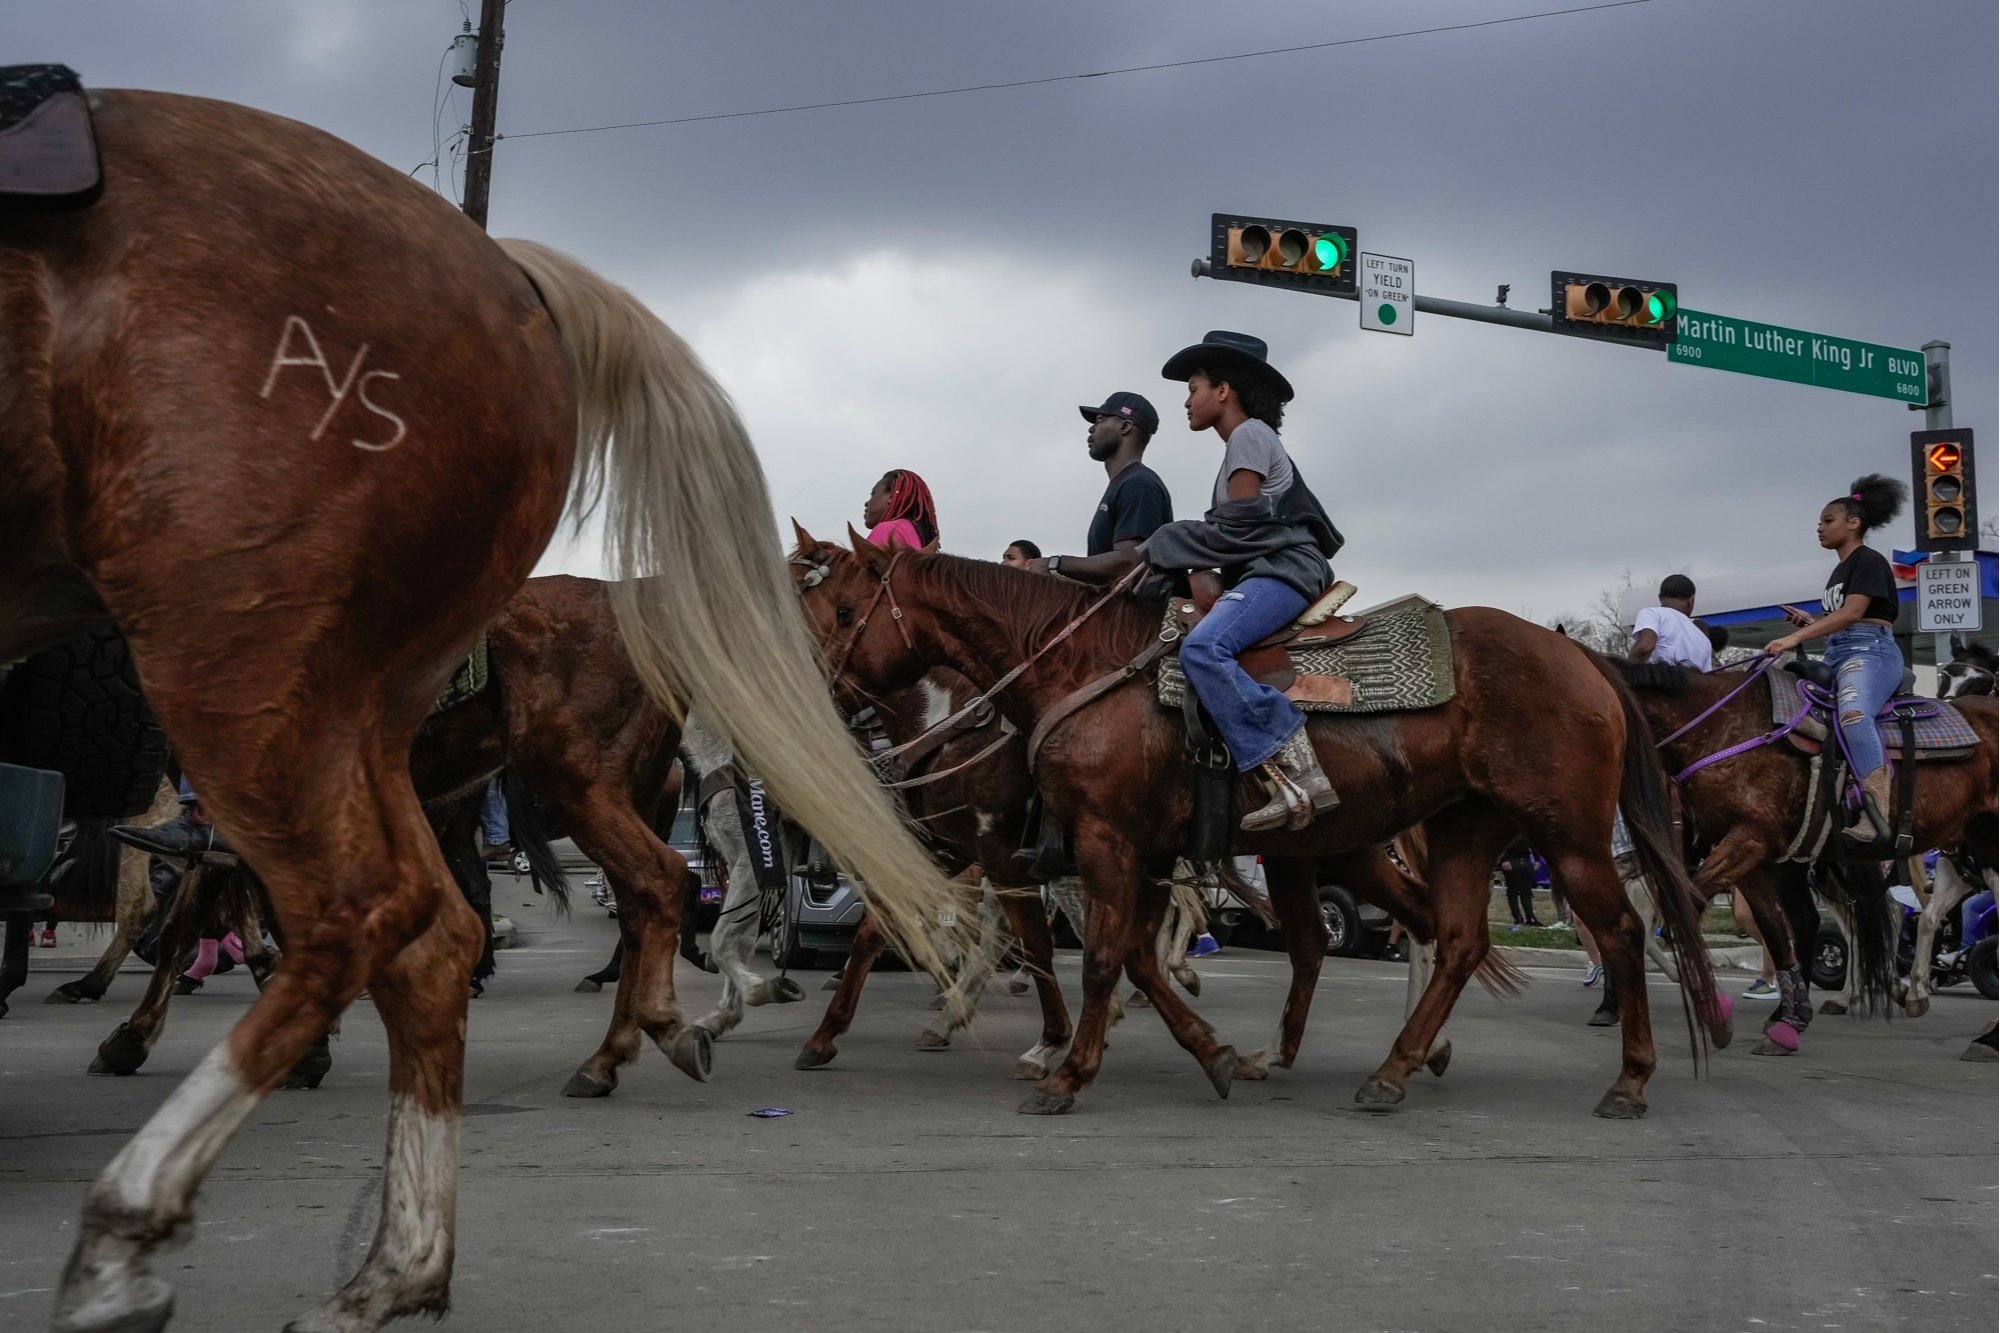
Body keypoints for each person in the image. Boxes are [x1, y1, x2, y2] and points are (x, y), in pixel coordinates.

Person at [1142, 332, 1343, 833]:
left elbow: (1240, 525)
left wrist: (1167, 541)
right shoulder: (1242, 444)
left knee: (1204, 650)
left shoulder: (1249, 435)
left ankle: (1296, 764)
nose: (1188, 401)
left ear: (1223, 390)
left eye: (1193, 388)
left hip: (1284, 571)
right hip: (1267, 569)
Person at [1762, 474, 1909, 844]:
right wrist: (1811, 622)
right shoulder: (1841, 569)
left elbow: (1853, 613)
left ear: (1853, 523)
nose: (1820, 528)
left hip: (1870, 651)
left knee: (1853, 716)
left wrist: (1795, 636)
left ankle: (1877, 811)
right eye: (1819, 522)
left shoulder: (1869, 560)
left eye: (1828, 520)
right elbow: (1841, 618)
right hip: (1841, 650)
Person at [1029, 392, 1174, 586]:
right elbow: (1106, 584)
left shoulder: (1138, 484)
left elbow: (1129, 564)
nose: (1091, 428)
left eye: (1099, 420)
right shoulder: (1124, 482)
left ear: (1125, 426)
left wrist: (1055, 564)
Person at [1630, 574, 1713, 670]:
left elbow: (1644, 647)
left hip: (1659, 683)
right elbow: (1706, 676)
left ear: (1660, 597)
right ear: (1691, 601)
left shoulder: (1652, 613)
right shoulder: (1704, 640)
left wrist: (1626, 673)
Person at [862, 469, 939, 551]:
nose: (866, 503)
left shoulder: (888, 530)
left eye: (873, 494)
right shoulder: (919, 537)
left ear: (892, 496)